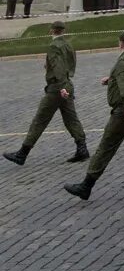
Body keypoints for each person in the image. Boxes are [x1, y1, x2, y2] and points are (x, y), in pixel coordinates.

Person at [64, 30, 124, 202]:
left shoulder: (123, 61)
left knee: (106, 146)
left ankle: (86, 186)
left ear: (121, 43)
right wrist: (111, 79)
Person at [3, 21, 89, 166]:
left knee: (40, 120)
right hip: (67, 84)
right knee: (71, 119)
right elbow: (70, 64)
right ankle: (82, 148)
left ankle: (22, 153)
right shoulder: (68, 44)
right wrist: (64, 82)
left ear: (52, 31)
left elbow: (58, 66)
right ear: (63, 30)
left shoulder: (54, 46)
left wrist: (61, 85)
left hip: (57, 88)